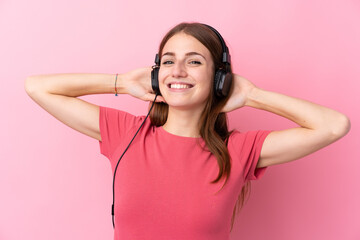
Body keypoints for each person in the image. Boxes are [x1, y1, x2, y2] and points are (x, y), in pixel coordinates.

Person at [24, 22, 350, 240]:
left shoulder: (239, 149)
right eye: (168, 61)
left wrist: (252, 95)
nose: (177, 71)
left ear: (220, 78)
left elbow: (334, 125)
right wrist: (122, 82)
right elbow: (37, 87)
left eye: (194, 61)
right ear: (156, 74)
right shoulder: (126, 132)